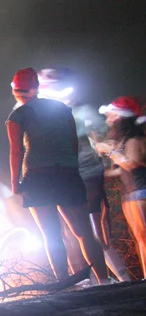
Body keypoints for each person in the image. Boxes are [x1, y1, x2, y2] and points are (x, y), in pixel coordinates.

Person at [5, 68, 109, 284]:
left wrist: (15, 184)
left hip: (38, 177)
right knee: (84, 233)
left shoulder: (17, 116)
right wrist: (69, 166)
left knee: (52, 236)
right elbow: (73, 144)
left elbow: (16, 152)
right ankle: (104, 282)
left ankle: (63, 284)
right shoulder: (62, 109)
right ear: (37, 87)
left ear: (15, 90)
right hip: (67, 174)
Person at [37, 69, 130, 282]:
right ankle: (92, 279)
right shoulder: (54, 113)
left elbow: (99, 138)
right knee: (75, 233)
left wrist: (105, 154)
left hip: (84, 175)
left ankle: (114, 280)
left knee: (90, 232)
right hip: (70, 176)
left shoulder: (77, 112)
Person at [95, 97, 146, 274]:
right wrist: (102, 174)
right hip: (132, 193)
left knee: (144, 238)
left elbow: (133, 163)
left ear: (119, 118)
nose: (108, 120)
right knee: (140, 238)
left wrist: (110, 151)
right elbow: (124, 169)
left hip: (141, 192)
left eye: (110, 116)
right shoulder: (127, 138)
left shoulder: (134, 138)